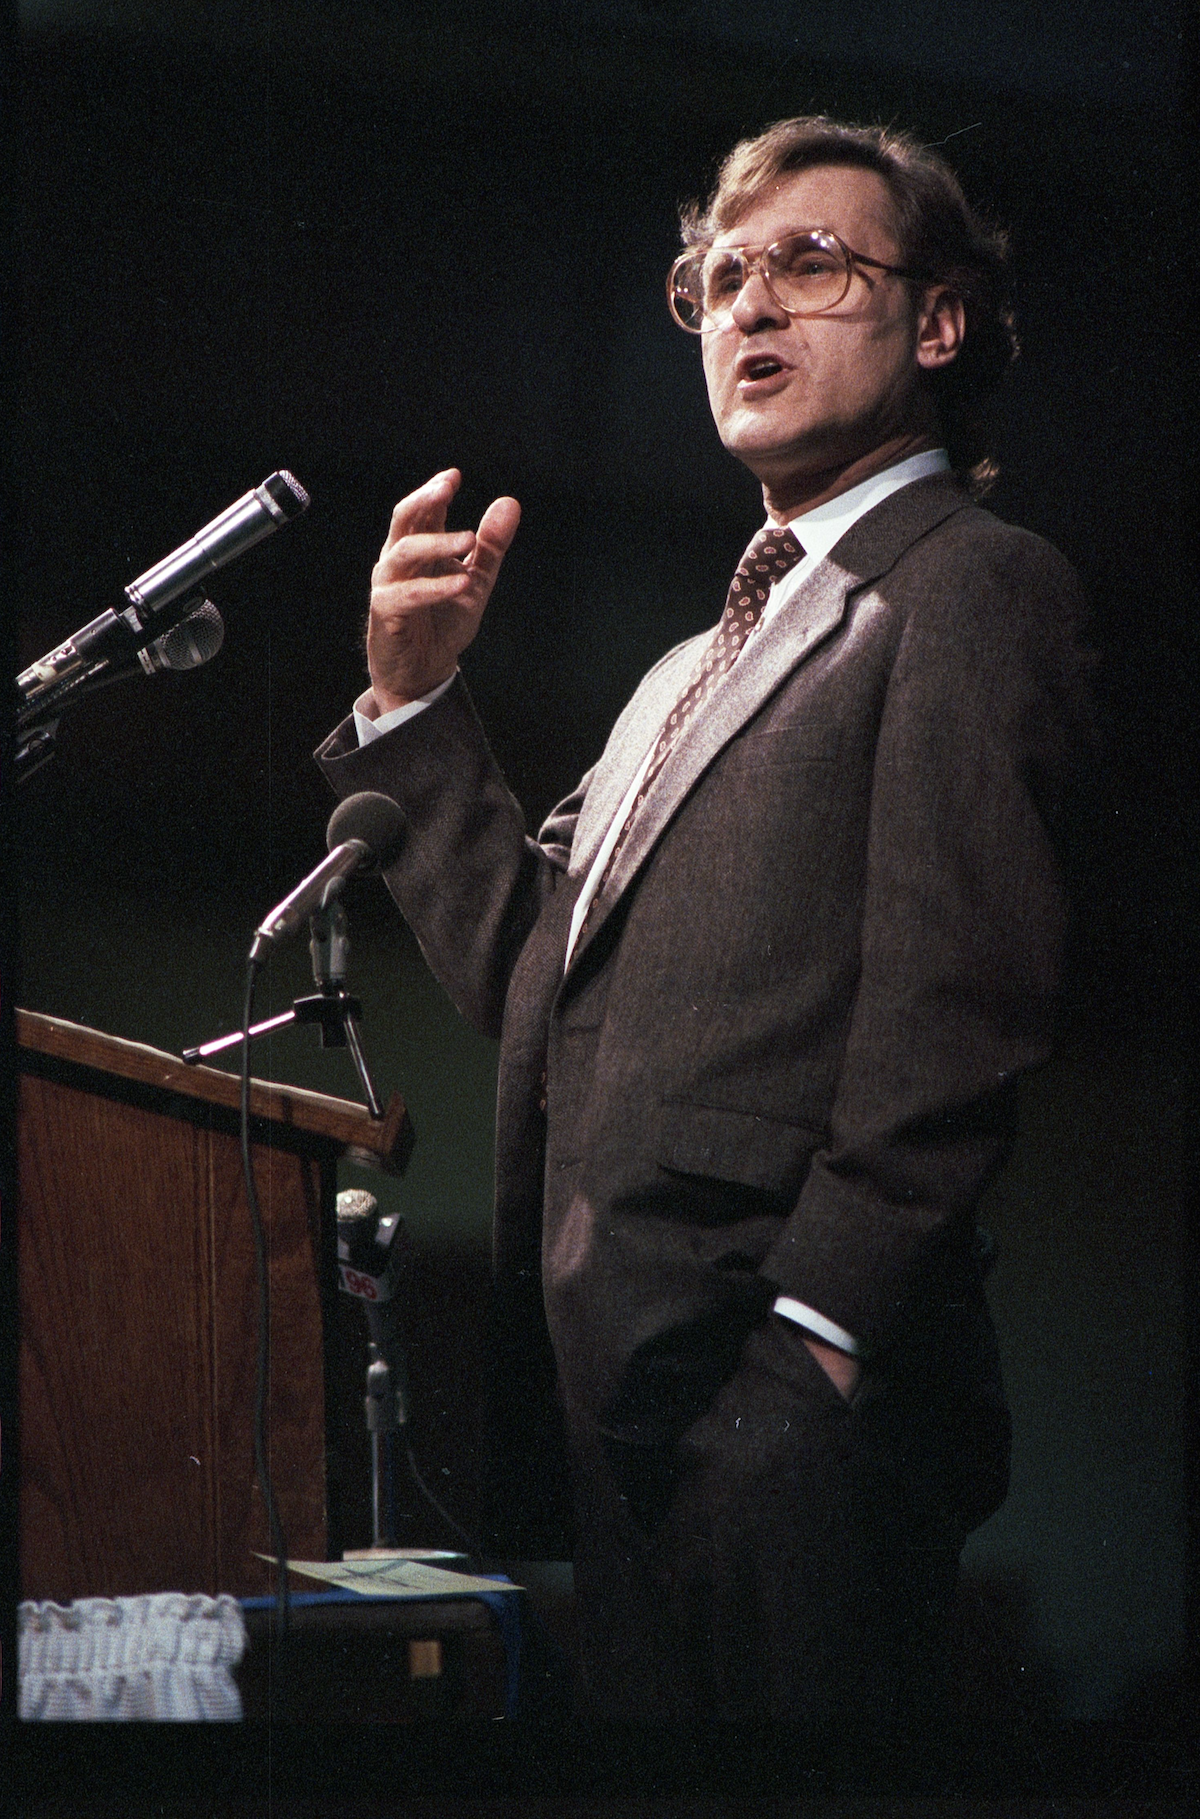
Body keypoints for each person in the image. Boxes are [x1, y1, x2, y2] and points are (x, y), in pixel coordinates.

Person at [316, 117, 1093, 1743]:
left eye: (812, 264)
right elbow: (544, 983)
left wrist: (810, 1353)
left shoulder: (970, 584)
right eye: (719, 277)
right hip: (625, 1416)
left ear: (937, 323)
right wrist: (411, 701)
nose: (748, 306)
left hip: (796, 1408)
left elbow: (960, 1011)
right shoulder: (685, 673)